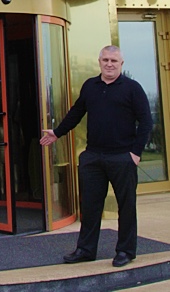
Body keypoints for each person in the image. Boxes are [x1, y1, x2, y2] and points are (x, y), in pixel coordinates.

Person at [40, 45, 153, 268]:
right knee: (90, 207)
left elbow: (146, 122)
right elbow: (76, 112)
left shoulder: (132, 88)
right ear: (99, 62)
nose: (109, 64)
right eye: (105, 60)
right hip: (93, 157)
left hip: (122, 157)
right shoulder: (90, 86)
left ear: (121, 64)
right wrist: (58, 132)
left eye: (114, 61)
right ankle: (85, 250)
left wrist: (135, 153)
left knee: (126, 207)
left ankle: (125, 251)